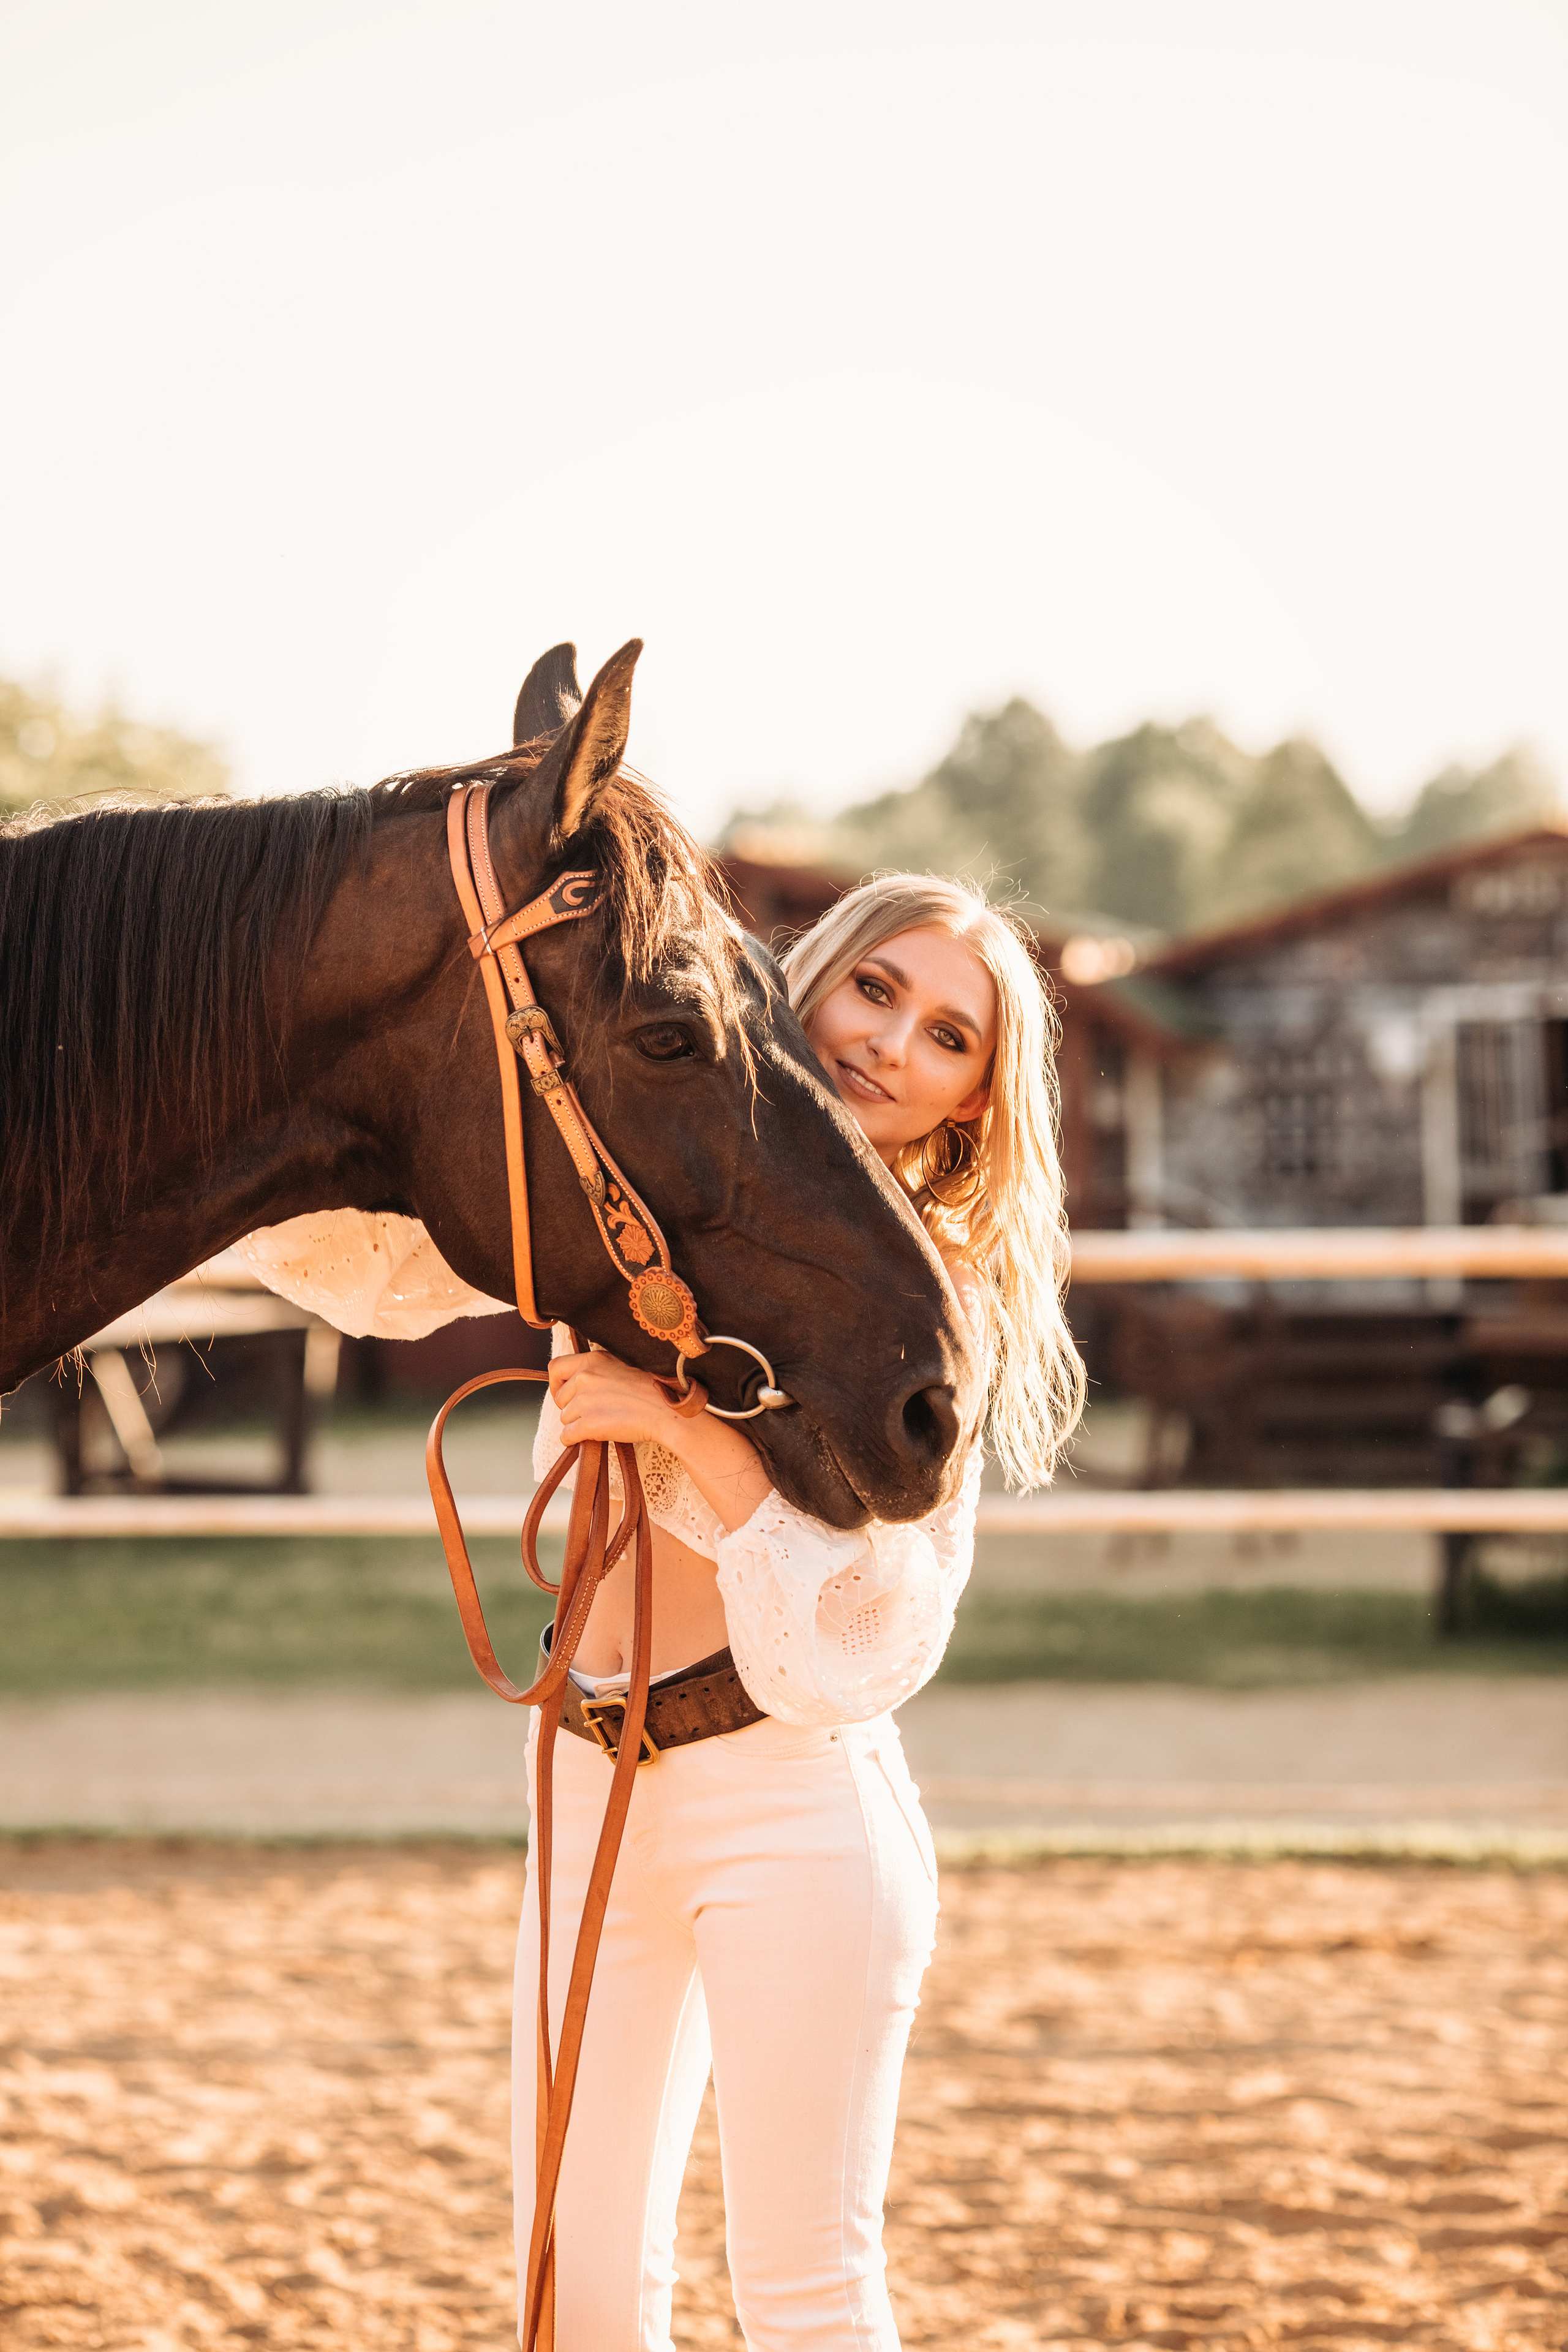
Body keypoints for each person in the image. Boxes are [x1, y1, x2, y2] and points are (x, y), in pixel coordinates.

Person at [525, 870, 1085, 2352]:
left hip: (787, 1801)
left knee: (804, 2299)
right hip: (585, 1781)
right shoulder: (638, 1204)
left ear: (972, 1100)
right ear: (809, 985)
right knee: (572, 2292)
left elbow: (879, 1617)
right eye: (876, 991)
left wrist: (685, 1432)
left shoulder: (924, 1296)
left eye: (947, 1036)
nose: (892, 1043)